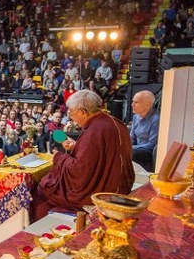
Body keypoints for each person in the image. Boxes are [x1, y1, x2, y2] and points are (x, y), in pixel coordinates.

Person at [32, 90, 134, 220]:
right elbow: (100, 155)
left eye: (71, 112)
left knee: (43, 188)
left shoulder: (94, 130)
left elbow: (79, 171)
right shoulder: (116, 122)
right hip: (122, 186)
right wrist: (77, 147)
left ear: (82, 112)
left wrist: (59, 157)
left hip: (102, 193)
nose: (70, 116)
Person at [129, 90, 159, 172]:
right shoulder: (136, 117)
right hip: (136, 148)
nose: (132, 104)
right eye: (133, 101)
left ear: (147, 105)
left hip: (148, 151)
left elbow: (152, 144)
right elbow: (131, 138)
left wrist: (131, 148)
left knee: (130, 152)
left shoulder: (156, 119)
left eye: (136, 102)